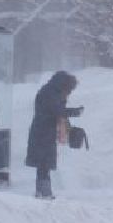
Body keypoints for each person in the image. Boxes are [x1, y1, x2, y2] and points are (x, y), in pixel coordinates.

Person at [25, 71, 81, 200]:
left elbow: (57, 111)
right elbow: (57, 111)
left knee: (43, 162)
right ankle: (45, 192)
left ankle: (41, 191)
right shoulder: (50, 93)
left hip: (44, 130)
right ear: (64, 85)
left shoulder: (52, 91)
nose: (69, 93)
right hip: (43, 131)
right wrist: (74, 112)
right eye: (69, 90)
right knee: (44, 162)